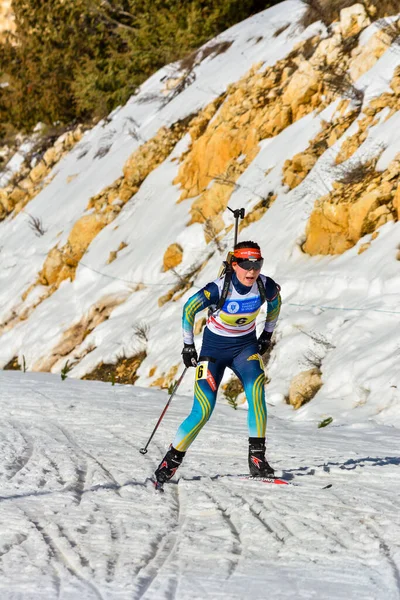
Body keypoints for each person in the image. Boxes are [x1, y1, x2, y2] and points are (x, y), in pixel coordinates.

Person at [155, 240, 281, 485]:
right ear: (234, 265)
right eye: (246, 265)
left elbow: (276, 305)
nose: (252, 271)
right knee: (202, 411)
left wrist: (267, 333)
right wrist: (188, 345)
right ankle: (170, 461)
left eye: (257, 265)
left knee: (256, 391)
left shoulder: (265, 286)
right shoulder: (218, 288)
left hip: (245, 349)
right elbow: (189, 309)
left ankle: (257, 459)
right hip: (213, 353)